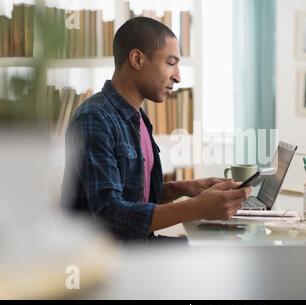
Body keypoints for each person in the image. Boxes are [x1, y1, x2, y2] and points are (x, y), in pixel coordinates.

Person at [61, 17, 252, 241]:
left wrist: (187, 187)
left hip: (139, 245)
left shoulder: (138, 117)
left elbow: (133, 195)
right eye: (170, 63)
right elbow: (109, 215)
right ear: (137, 59)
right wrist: (197, 208)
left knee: (217, 245)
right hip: (110, 259)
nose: (178, 76)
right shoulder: (94, 119)